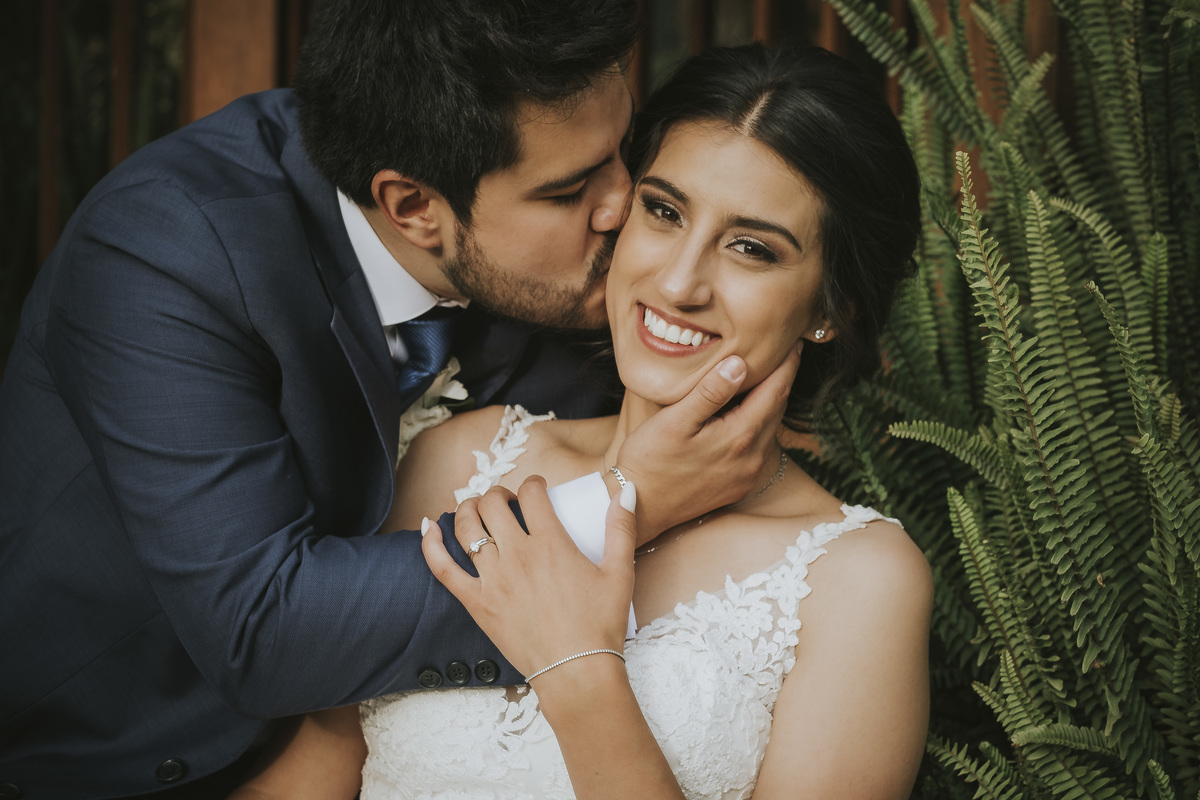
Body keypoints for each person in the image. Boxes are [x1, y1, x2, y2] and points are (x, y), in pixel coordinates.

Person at [0, 3, 795, 798]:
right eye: (568, 190)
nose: (623, 205)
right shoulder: (169, 250)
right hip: (108, 761)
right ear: (414, 209)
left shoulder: (564, 267)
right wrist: (632, 499)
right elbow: (263, 629)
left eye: (620, 152)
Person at [232, 44, 932, 800]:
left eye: (751, 249)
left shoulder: (860, 581)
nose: (678, 281)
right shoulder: (456, 459)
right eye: (663, 211)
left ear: (833, 307)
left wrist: (577, 665)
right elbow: (315, 773)